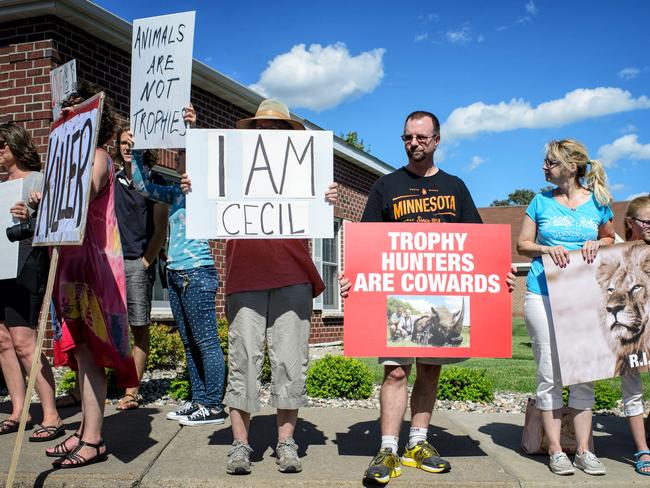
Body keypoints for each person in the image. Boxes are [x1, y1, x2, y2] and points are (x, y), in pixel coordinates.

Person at [339, 110, 515, 485]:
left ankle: (418, 442)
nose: (414, 143)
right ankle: (388, 448)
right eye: (407, 137)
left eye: (421, 137)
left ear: (436, 140)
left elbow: (478, 245)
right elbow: (367, 244)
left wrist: (500, 275)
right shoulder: (386, 186)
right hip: (395, 293)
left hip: (442, 293)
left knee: (431, 369)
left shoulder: (455, 187)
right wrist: (351, 278)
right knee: (397, 370)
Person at [180, 99, 338, 475]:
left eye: (276, 127)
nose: (268, 132)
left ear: (288, 135)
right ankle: (240, 445)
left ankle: (286, 442)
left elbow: (318, 208)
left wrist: (328, 198)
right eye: (261, 126)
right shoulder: (231, 169)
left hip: (293, 276)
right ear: (250, 133)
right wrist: (191, 180)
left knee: (289, 362)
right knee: (243, 362)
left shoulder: (305, 171)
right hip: (246, 278)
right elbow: (203, 187)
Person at [44, 83, 138, 468]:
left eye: (73, 109)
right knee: (82, 353)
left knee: (92, 353)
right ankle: (85, 430)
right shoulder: (70, 162)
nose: (66, 115)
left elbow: (93, 184)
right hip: (72, 264)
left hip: (93, 269)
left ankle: (95, 439)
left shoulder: (98, 156)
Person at [516, 139, 615, 476]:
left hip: (584, 296)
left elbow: (611, 239)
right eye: (545, 162)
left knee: (583, 373)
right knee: (550, 372)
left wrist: (597, 241)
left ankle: (585, 451)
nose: (545, 167)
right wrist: (546, 248)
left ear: (572, 166)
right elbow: (522, 243)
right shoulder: (539, 202)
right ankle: (556, 449)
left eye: (551, 162)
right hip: (542, 294)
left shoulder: (598, 202)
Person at [130, 105, 227, 428]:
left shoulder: (211, 191)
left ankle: (214, 405)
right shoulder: (173, 193)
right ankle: (198, 400)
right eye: (180, 157)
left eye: (186, 156)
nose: (180, 160)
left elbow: (213, 167)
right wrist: (138, 148)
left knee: (206, 341)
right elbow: (142, 186)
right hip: (175, 274)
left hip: (198, 273)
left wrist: (193, 127)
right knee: (189, 341)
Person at [0, 123, 63, 441]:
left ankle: (51, 414)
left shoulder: (38, 180)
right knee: (2, 342)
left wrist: (32, 213)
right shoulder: (0, 186)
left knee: (25, 342)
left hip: (25, 268)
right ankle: (18, 409)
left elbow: (57, 224)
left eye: (1, 144)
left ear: (15, 144)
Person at [619, 195, 650, 475]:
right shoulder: (618, 252)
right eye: (647, 222)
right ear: (630, 223)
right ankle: (642, 449)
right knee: (633, 389)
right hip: (633, 335)